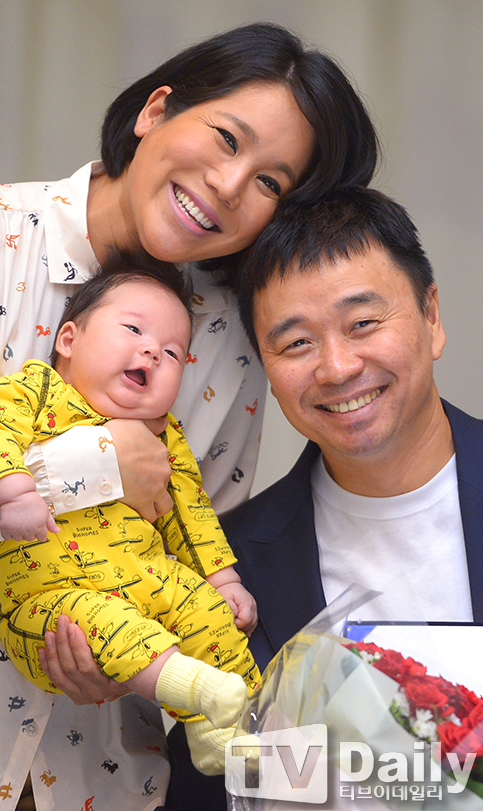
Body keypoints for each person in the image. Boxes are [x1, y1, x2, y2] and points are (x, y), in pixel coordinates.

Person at [0, 21, 378, 811]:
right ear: (155, 110)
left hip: (108, 780)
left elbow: (193, 541)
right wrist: (91, 466)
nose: (228, 184)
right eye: (225, 138)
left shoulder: (229, 344)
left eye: (270, 182)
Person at [167, 186, 483, 809]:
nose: (337, 368)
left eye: (362, 324)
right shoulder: (231, 567)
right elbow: (209, 783)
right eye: (296, 343)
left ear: (431, 316)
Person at [0, 253, 260, 776]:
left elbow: (191, 515)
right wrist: (15, 491)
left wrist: (223, 579)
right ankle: (196, 692)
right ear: (68, 340)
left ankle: (227, 731)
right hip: (47, 599)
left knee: (208, 612)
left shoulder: (164, 435)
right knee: (103, 624)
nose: (153, 351)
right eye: (134, 330)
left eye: (172, 352)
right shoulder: (35, 392)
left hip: (147, 580)